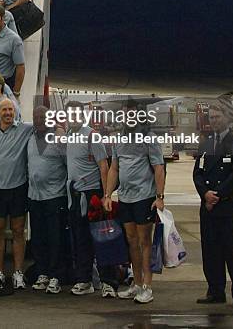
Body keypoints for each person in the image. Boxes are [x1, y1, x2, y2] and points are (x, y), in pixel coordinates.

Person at [104, 111, 166, 304]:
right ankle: (137, 283)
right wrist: (107, 194)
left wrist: (160, 197)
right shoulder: (119, 139)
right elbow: (114, 168)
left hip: (144, 197)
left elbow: (159, 167)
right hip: (126, 197)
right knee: (131, 240)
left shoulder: (149, 138)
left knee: (144, 241)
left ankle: (147, 286)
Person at [193, 99, 233, 310]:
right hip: (208, 209)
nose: (214, 121)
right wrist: (204, 194)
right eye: (212, 117)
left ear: (227, 118)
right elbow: (197, 174)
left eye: (218, 117)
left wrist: (216, 195)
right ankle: (215, 291)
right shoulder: (206, 144)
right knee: (211, 253)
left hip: (228, 209)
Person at [0, 99, 33, 291]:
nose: (8, 113)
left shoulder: (25, 129)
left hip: (18, 187)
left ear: (15, 112)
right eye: (4, 110)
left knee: (19, 230)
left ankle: (18, 273)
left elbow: (46, 126)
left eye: (11, 109)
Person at [66, 111, 118, 297]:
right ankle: (84, 280)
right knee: (80, 241)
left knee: (102, 240)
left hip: (93, 196)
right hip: (75, 196)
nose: (72, 118)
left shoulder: (92, 136)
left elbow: (104, 167)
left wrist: (106, 196)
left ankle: (108, 283)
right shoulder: (69, 135)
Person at [28, 106, 67, 294]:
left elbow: (69, 164)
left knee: (55, 238)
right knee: (38, 238)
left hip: (55, 196)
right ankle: (42, 272)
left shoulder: (59, 138)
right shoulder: (29, 137)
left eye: (42, 116)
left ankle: (56, 275)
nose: (39, 119)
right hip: (34, 197)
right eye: (36, 117)